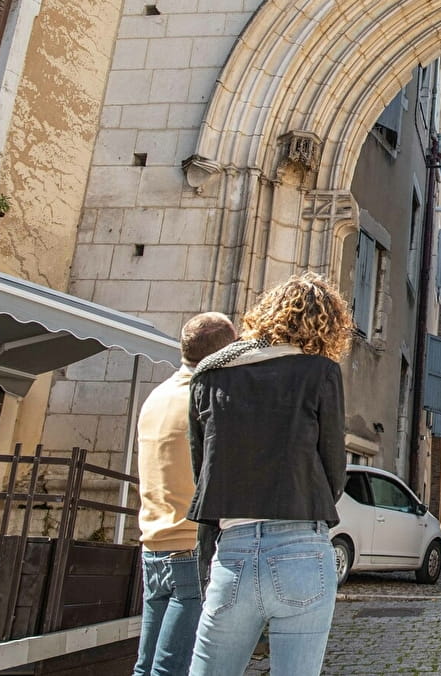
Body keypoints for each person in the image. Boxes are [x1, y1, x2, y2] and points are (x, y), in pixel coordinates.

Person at [185, 273, 349, 676]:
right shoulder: (321, 373)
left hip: (234, 547)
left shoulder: (207, 375)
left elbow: (202, 471)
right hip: (302, 545)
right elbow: (334, 474)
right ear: (327, 325)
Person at [133, 311, 237, 676]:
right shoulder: (205, 401)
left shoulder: (156, 397)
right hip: (189, 548)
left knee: (146, 666)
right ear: (224, 355)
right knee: (171, 669)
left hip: (152, 545)